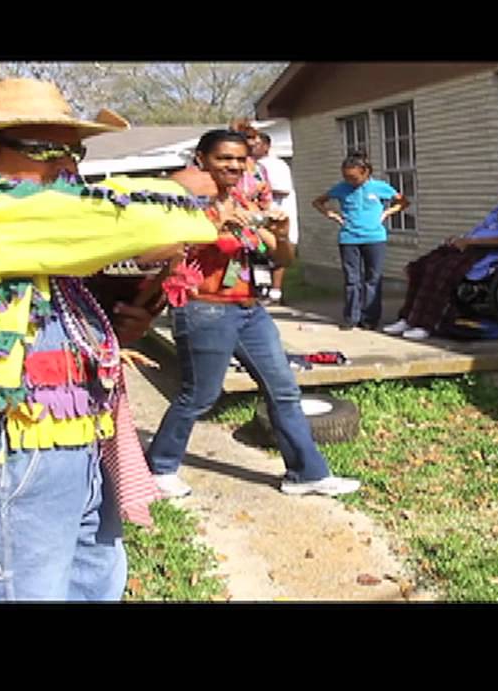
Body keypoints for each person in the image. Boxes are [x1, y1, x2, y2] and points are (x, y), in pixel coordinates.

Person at [0, 78, 218, 601]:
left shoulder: (27, 229)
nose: (66, 167)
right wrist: (181, 191)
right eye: (45, 150)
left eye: (74, 152)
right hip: (0, 450)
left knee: (92, 583)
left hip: (70, 445)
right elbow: (169, 216)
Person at [145, 129, 361, 499]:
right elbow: (156, 251)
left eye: (239, 159)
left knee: (284, 391)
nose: (233, 165)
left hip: (250, 311)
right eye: (223, 158)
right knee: (200, 395)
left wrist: (282, 232)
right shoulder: (182, 202)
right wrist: (216, 224)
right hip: (205, 309)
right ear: (201, 159)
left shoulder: (245, 201)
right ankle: (159, 468)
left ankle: (306, 474)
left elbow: (283, 258)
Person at [382, 174, 498, 340]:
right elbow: (481, 229)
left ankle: (426, 324)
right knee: (422, 267)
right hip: (473, 246)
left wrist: (471, 242)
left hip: (495, 252)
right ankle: (408, 318)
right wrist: (461, 238)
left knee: (439, 271)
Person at [312, 153, 408, 331]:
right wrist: (332, 215)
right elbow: (318, 202)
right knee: (352, 279)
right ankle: (351, 317)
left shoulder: (380, 187)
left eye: (354, 177)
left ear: (365, 172)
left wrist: (386, 213)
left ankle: (370, 318)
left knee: (373, 278)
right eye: (346, 177)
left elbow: (403, 202)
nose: (350, 181)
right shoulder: (341, 188)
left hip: (375, 238)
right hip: (349, 238)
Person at [249, 130, 297, 304]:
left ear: (266, 146)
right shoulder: (249, 164)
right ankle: (259, 289)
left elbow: (284, 189)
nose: (252, 147)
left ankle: (275, 291)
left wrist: (259, 190)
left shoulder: (275, 165)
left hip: (276, 215)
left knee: (277, 250)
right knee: (258, 253)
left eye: (256, 144)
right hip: (254, 215)